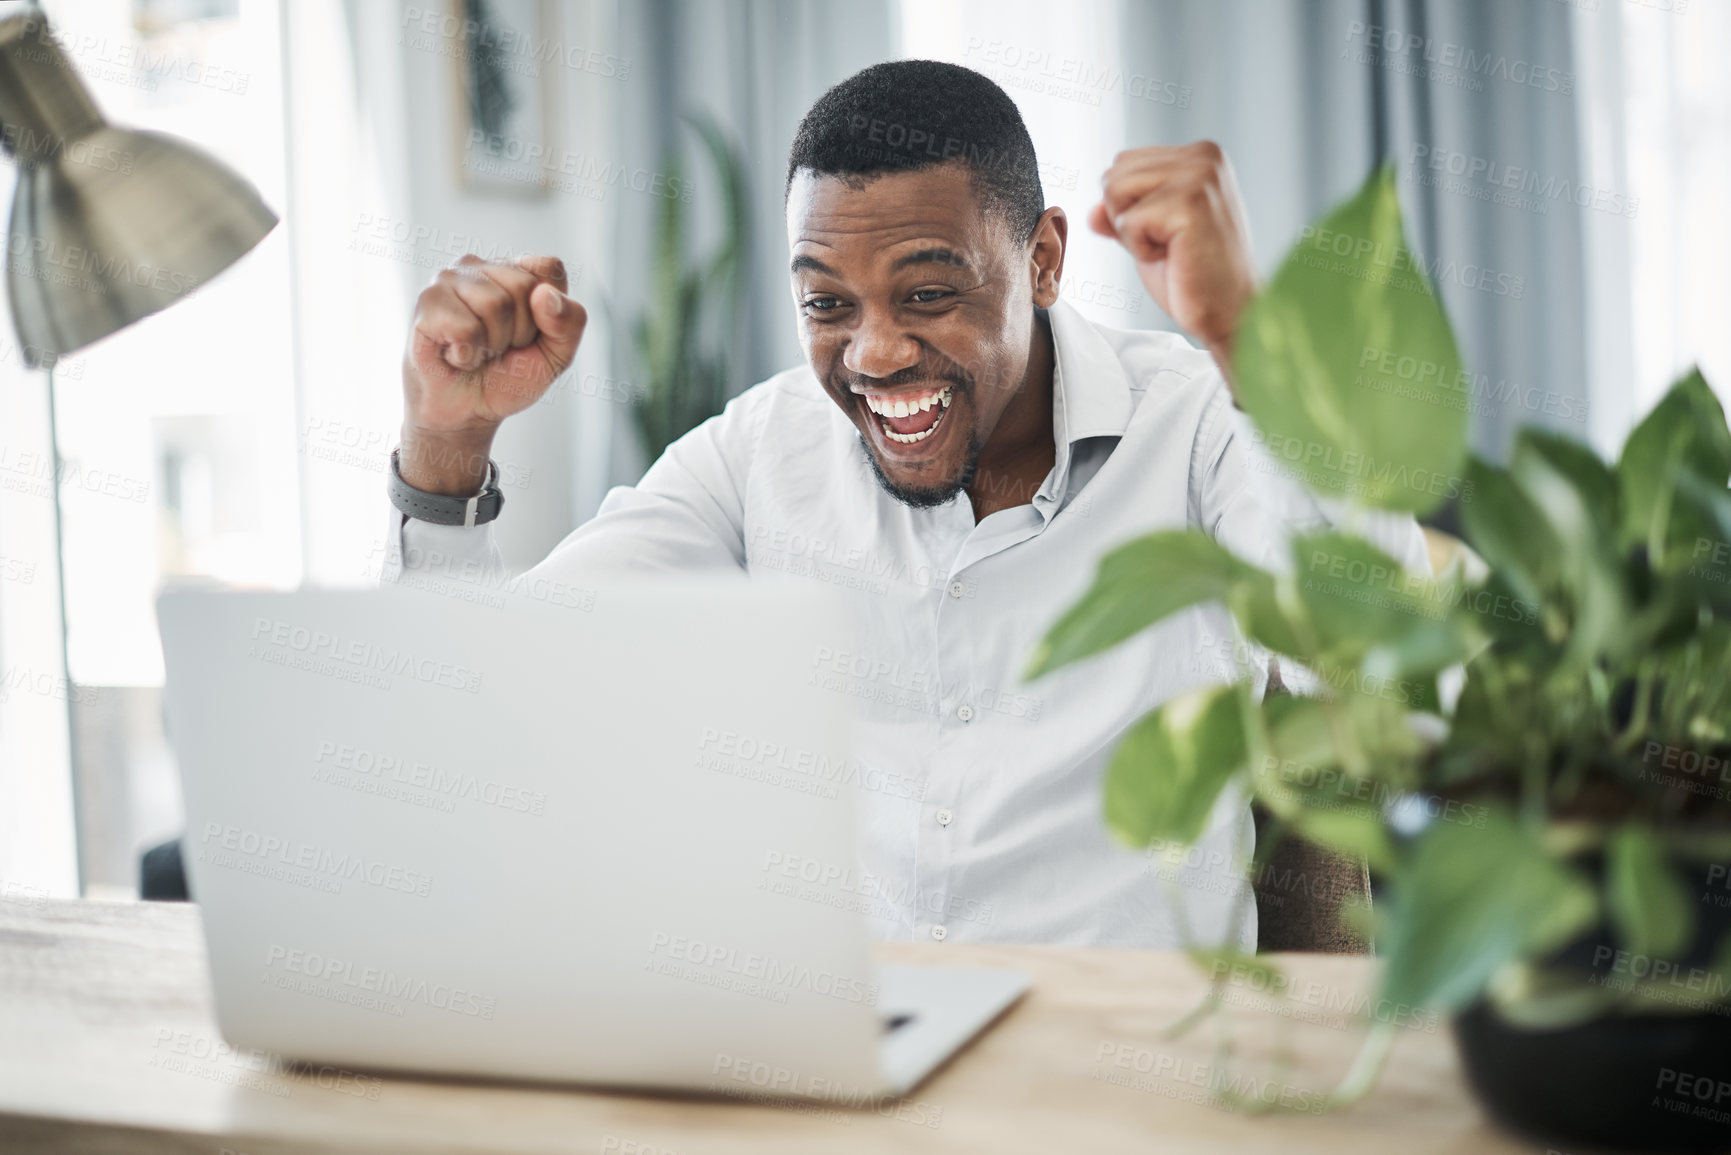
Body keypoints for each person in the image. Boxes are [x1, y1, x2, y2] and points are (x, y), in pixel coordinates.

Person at [382, 60, 1425, 951]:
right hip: (847, 1072)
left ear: (1044, 260)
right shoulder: (762, 449)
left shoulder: (1197, 423)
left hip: (1121, 1077)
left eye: (929, 294)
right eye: (827, 305)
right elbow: (483, 695)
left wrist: (1248, 339)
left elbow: (1388, 647)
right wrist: (446, 442)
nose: (874, 354)